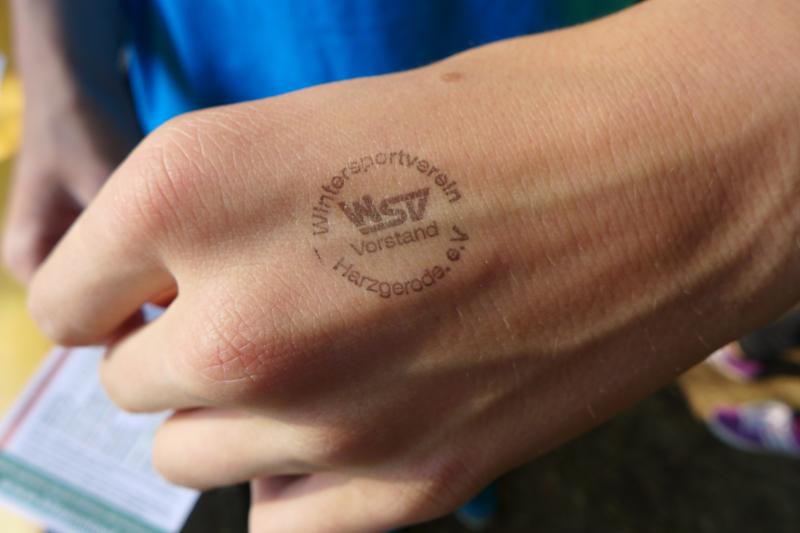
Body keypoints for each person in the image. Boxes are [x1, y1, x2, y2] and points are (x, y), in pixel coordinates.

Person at [4, 0, 799, 531]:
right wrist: (63, 86)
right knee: (297, 396)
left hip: (574, 60)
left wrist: (745, 142)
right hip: (204, 96)